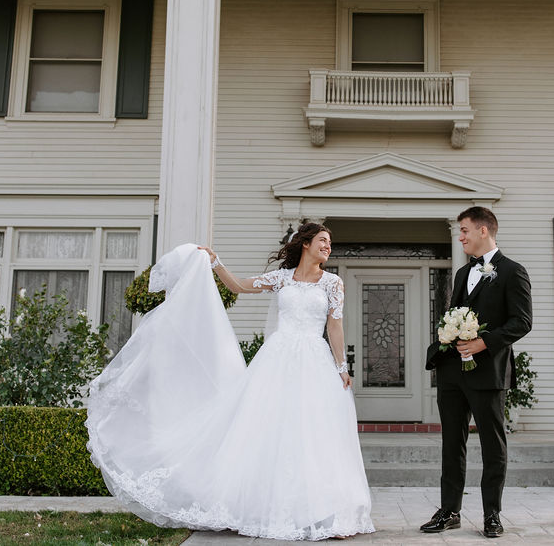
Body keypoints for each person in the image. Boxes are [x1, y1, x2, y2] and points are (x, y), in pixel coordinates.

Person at [85, 223, 375, 541]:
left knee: (316, 433)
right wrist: (216, 262)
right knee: (268, 431)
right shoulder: (281, 278)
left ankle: (326, 512)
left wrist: (341, 367)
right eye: (322, 240)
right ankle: (260, 506)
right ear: (305, 244)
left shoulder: (333, 283)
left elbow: (335, 327)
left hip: (315, 362)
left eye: (330, 243)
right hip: (277, 360)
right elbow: (238, 286)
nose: (328, 246)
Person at [420, 207, 532, 539]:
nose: (461, 236)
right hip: (452, 372)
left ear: (484, 231)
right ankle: (449, 511)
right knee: (451, 442)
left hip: (488, 373)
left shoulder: (513, 271)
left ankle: (492, 514)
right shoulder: (460, 274)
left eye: (465, 230)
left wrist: (484, 343)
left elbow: (522, 322)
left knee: (492, 445)